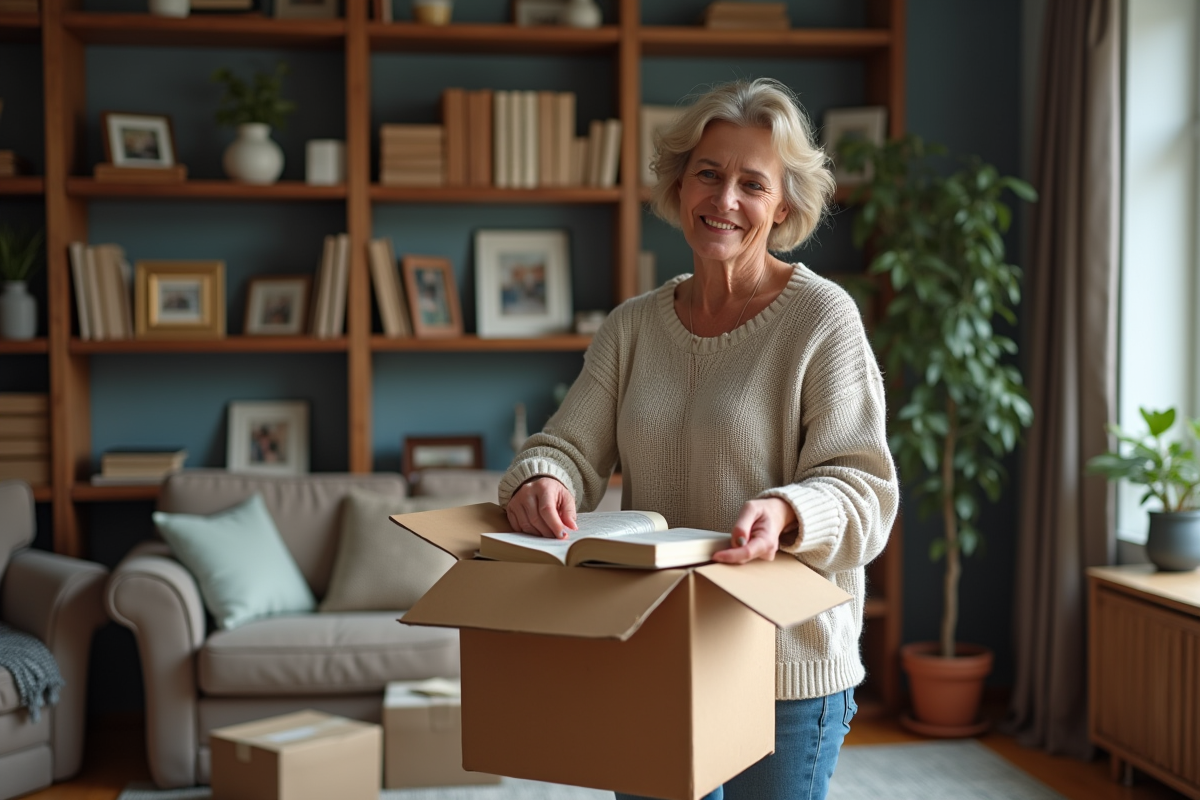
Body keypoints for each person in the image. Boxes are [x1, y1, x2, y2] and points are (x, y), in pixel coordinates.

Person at [498, 77, 899, 800]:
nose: (726, 199)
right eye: (709, 174)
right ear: (680, 185)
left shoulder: (823, 319)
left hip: (782, 668)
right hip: (654, 654)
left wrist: (787, 511)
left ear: (783, 206)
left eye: (753, 184)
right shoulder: (631, 327)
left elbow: (864, 490)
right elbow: (566, 448)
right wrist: (543, 478)